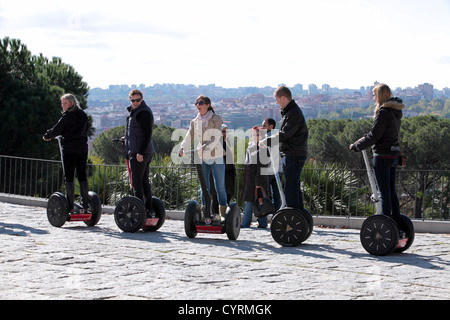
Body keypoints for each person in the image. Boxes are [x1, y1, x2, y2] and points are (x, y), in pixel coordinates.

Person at [349, 83, 405, 221]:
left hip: (382, 156)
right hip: (394, 155)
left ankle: (386, 221)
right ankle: (396, 220)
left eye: (374, 95)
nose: (373, 98)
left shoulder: (383, 113)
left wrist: (356, 147)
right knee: (391, 191)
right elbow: (377, 133)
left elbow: (374, 136)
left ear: (380, 95)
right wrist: (361, 141)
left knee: (384, 193)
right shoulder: (395, 112)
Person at [179, 96, 228, 222]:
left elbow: (217, 137)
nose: (197, 105)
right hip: (202, 156)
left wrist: (206, 146)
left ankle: (223, 214)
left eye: (200, 103)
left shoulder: (216, 119)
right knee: (204, 186)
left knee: (220, 187)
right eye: (196, 103)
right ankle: (206, 212)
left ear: (207, 105)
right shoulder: (194, 121)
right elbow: (188, 137)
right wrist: (182, 148)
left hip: (215, 155)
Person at [260, 86, 308, 211]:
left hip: (294, 154)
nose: (276, 103)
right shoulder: (290, 112)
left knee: (290, 188)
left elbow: (285, 134)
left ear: (283, 98)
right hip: (292, 153)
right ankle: (299, 214)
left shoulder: (293, 114)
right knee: (294, 187)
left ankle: (292, 217)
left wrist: (267, 140)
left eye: (277, 99)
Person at [43, 93, 90, 213]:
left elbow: (57, 129)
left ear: (72, 103)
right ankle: (85, 204)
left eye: (65, 103)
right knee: (82, 174)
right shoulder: (83, 115)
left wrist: (47, 135)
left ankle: (69, 206)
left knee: (69, 176)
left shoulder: (67, 116)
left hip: (69, 149)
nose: (63, 105)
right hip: (82, 148)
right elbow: (85, 130)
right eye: (62, 103)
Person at [124, 89, 155, 215]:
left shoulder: (143, 113)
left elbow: (147, 134)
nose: (135, 102)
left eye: (138, 100)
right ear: (130, 100)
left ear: (142, 99)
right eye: (133, 100)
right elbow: (137, 133)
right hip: (140, 150)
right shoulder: (136, 112)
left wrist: (140, 152)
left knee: (137, 181)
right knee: (143, 180)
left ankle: (140, 210)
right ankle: (148, 209)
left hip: (140, 152)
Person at [241, 126, 270, 228]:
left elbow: (262, 167)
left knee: (258, 201)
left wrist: (258, 183)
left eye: (257, 135)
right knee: (256, 201)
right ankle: (261, 223)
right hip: (251, 180)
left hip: (258, 180)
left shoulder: (263, 148)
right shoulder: (251, 147)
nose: (255, 136)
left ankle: (247, 223)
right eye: (253, 134)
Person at [210, 124, 236, 214]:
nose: (225, 134)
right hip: (223, 177)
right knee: (217, 200)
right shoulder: (219, 143)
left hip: (226, 178)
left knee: (222, 199)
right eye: (223, 131)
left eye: (226, 132)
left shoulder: (225, 143)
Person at [262, 118, 281, 211]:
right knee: (277, 195)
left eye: (264, 126)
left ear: (271, 126)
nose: (262, 127)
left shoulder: (266, 138)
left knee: (264, 194)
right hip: (278, 169)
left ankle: (264, 216)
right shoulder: (279, 137)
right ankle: (277, 213)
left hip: (268, 169)